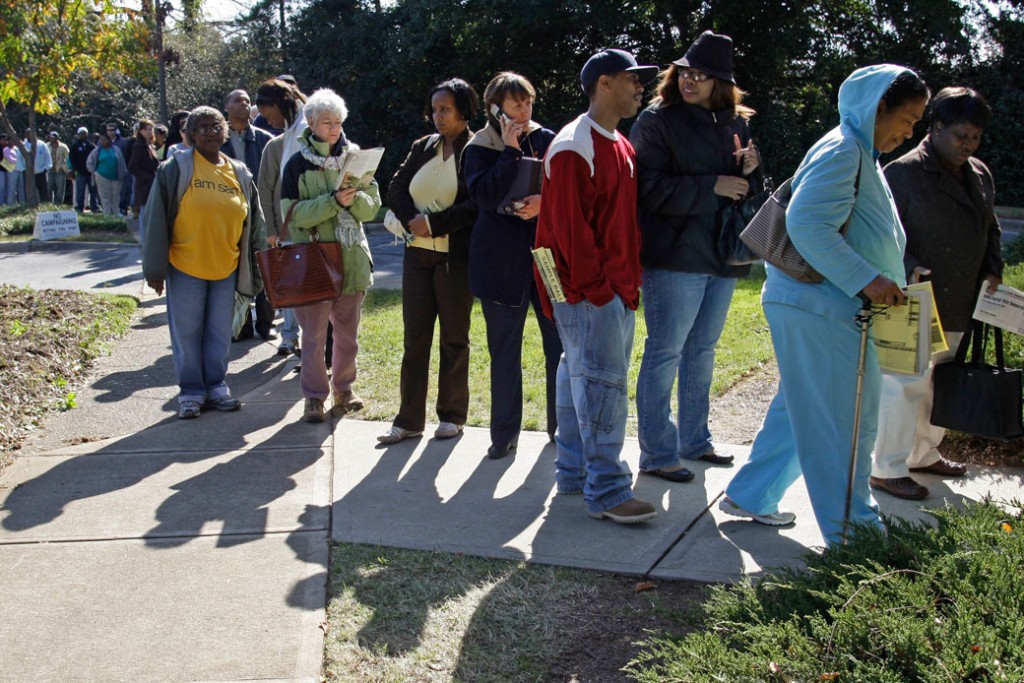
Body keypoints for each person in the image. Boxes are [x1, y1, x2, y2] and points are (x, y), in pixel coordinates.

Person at [721, 66, 930, 546]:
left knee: (805, 409)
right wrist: (871, 280)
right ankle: (854, 533)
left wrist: (889, 273)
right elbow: (808, 226)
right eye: (908, 119)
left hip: (818, 306)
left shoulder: (856, 151)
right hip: (825, 307)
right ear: (878, 106)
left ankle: (752, 494)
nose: (909, 131)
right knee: (846, 423)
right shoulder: (843, 151)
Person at [534, 48, 660, 524]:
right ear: (604, 84)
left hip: (608, 289)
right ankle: (607, 491)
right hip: (588, 292)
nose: (640, 87)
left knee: (577, 374)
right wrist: (600, 291)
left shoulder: (619, 143)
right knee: (602, 383)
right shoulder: (573, 144)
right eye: (632, 79)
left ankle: (572, 472)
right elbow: (571, 234)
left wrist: (622, 284)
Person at [630, 31, 758, 483]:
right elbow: (645, 188)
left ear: (719, 82)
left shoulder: (736, 123)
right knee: (665, 351)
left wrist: (749, 171)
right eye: (685, 72)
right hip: (672, 254)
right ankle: (657, 452)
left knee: (702, 351)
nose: (690, 81)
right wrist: (712, 186)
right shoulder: (656, 120)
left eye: (701, 76)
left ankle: (695, 441)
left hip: (723, 252)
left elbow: (747, 194)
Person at [869, 87, 1002, 500]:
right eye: (962, 135)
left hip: (961, 299)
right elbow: (878, 235)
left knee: (938, 384)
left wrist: (993, 267)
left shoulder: (979, 173)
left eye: (976, 137)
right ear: (937, 127)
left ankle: (924, 454)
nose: (968, 145)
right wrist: (908, 266)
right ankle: (886, 468)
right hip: (911, 299)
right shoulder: (902, 172)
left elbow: (991, 228)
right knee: (903, 385)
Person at [463, 72, 563, 459]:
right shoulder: (479, 147)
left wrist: (545, 204)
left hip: (546, 260)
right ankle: (504, 434)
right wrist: (509, 151)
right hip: (500, 265)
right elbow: (485, 195)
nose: (524, 110)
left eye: (528, 102)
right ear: (495, 109)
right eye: (515, 104)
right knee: (504, 352)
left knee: (559, 347)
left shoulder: (547, 138)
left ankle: (561, 428)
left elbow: (565, 190)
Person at [142, 106, 266, 419]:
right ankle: (191, 393)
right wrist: (155, 270)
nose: (211, 133)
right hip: (185, 266)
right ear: (191, 135)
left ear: (225, 131)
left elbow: (256, 223)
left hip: (227, 266)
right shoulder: (175, 169)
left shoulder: (239, 172)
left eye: (216, 127)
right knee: (187, 333)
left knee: (220, 332)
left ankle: (217, 386)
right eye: (203, 128)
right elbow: (155, 220)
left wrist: (260, 263)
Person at [377, 78, 479, 444]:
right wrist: (412, 222)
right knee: (414, 339)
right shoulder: (422, 146)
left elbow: (475, 205)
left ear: (463, 110)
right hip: (416, 256)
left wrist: (435, 223)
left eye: (445, 109)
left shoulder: (478, 147)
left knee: (454, 339)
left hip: (456, 260)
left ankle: (452, 416)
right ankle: (408, 420)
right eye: (435, 109)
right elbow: (395, 188)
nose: (438, 116)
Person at [280, 88, 381, 424]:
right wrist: (333, 202)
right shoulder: (296, 165)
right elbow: (292, 216)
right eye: (327, 122)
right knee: (313, 337)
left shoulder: (358, 160)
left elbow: (372, 209)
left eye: (338, 121)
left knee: (348, 335)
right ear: (310, 123)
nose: (334, 128)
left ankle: (344, 389)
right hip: (315, 263)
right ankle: (313, 398)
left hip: (352, 260)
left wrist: (355, 201)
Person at [255, 77, 308, 356]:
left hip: (311, 226)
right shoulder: (277, 143)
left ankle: (313, 350)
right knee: (293, 288)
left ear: (279, 104)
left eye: (267, 113)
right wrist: (272, 230)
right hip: (287, 229)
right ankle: (292, 339)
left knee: (310, 290)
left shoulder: (308, 128)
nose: (267, 120)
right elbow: (266, 190)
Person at [221, 88, 276, 342]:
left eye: (246, 100)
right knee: (235, 268)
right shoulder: (217, 141)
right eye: (237, 100)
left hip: (260, 213)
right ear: (227, 108)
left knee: (265, 267)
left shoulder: (264, 140)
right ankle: (241, 324)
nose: (244, 104)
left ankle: (266, 324)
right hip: (229, 215)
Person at [128, 119, 159, 239]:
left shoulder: (150, 146)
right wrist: (147, 178)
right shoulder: (139, 146)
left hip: (153, 183)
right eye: (148, 129)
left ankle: (149, 239)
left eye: (152, 129)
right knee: (144, 213)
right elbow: (132, 167)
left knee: (150, 213)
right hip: (144, 186)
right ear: (141, 131)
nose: (151, 132)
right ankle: (144, 240)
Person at [86, 132, 127, 215]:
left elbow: (122, 162)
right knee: (105, 196)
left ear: (109, 140)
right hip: (102, 176)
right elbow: (89, 162)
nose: (103, 141)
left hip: (116, 176)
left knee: (115, 196)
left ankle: (115, 212)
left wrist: (124, 173)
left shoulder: (116, 149)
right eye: (102, 140)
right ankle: (107, 214)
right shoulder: (97, 150)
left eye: (105, 139)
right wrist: (94, 172)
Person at [69, 127, 98, 212]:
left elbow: (95, 157)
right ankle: (79, 207)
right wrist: (76, 169)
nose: (83, 135)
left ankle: (94, 207)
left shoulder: (91, 146)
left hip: (90, 173)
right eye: (81, 133)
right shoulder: (75, 146)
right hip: (80, 172)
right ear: (78, 134)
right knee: (80, 191)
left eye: (85, 133)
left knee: (93, 191)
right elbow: (72, 158)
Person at [46, 131, 70, 205]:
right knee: (48, 188)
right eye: (50, 137)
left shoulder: (63, 146)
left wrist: (64, 167)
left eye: (52, 137)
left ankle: (58, 204)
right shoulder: (46, 146)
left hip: (59, 170)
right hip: (49, 170)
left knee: (60, 188)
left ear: (56, 138)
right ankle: (49, 204)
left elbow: (68, 159)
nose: (51, 138)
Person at [3, 136, 21, 205]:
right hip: (12, 171)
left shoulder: (17, 148)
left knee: (20, 188)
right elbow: (11, 160)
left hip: (20, 170)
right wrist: (18, 160)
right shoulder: (6, 149)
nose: (11, 142)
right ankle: (10, 205)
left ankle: (22, 203)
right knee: (11, 188)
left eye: (13, 140)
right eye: (9, 141)